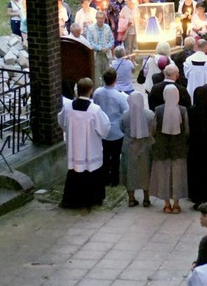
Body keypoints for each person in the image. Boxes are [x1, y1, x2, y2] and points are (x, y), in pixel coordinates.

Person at [58, 78, 111, 209]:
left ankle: (71, 200)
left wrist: (70, 130)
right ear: (91, 90)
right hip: (90, 149)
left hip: (74, 148)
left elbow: (61, 121)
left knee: (75, 172)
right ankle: (92, 200)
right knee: (92, 172)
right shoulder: (95, 110)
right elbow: (104, 128)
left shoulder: (68, 107)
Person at [149, 86, 189, 214]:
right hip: (179, 148)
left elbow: (154, 129)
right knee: (177, 175)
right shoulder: (182, 110)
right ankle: (176, 204)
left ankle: (166, 204)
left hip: (162, 148)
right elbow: (187, 131)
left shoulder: (159, 110)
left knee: (163, 175)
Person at [92, 69, 129, 187]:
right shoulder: (119, 96)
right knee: (116, 156)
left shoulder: (97, 92)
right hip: (116, 130)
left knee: (105, 154)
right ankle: (114, 179)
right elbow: (126, 111)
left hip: (102, 128)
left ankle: (104, 178)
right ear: (115, 79)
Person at [119, 92, 154, 208]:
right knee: (146, 171)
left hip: (129, 146)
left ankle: (131, 199)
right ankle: (147, 198)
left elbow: (122, 128)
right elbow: (154, 129)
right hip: (146, 146)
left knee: (130, 172)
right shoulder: (150, 115)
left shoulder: (125, 115)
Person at [85, 11, 114, 87]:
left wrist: (107, 47)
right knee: (96, 76)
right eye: (98, 18)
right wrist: (100, 48)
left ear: (104, 19)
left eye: (102, 18)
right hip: (96, 54)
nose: (100, 20)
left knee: (107, 74)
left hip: (106, 54)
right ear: (96, 18)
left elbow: (112, 40)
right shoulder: (90, 28)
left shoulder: (107, 27)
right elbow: (89, 42)